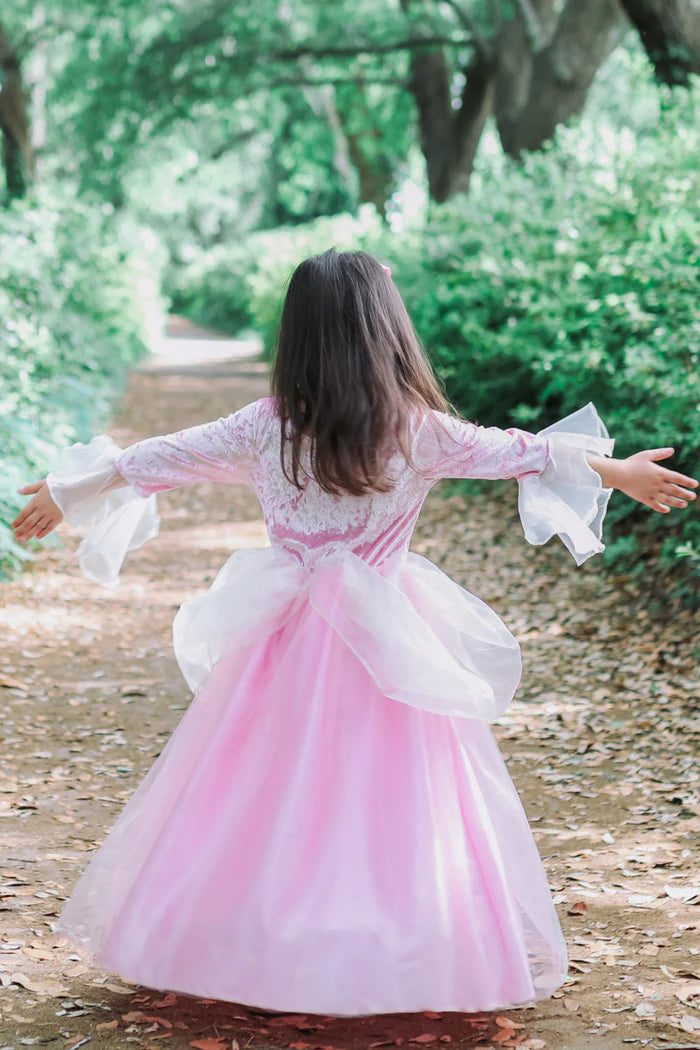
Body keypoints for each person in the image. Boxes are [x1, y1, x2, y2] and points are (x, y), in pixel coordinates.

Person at [12, 249, 697, 1016]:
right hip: (387, 641)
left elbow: (155, 458)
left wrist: (70, 490)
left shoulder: (265, 427)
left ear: (297, 334)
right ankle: (398, 944)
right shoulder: (417, 431)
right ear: (386, 330)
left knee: (267, 785)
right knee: (395, 797)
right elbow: (524, 451)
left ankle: (254, 938)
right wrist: (617, 472)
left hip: (284, 639)